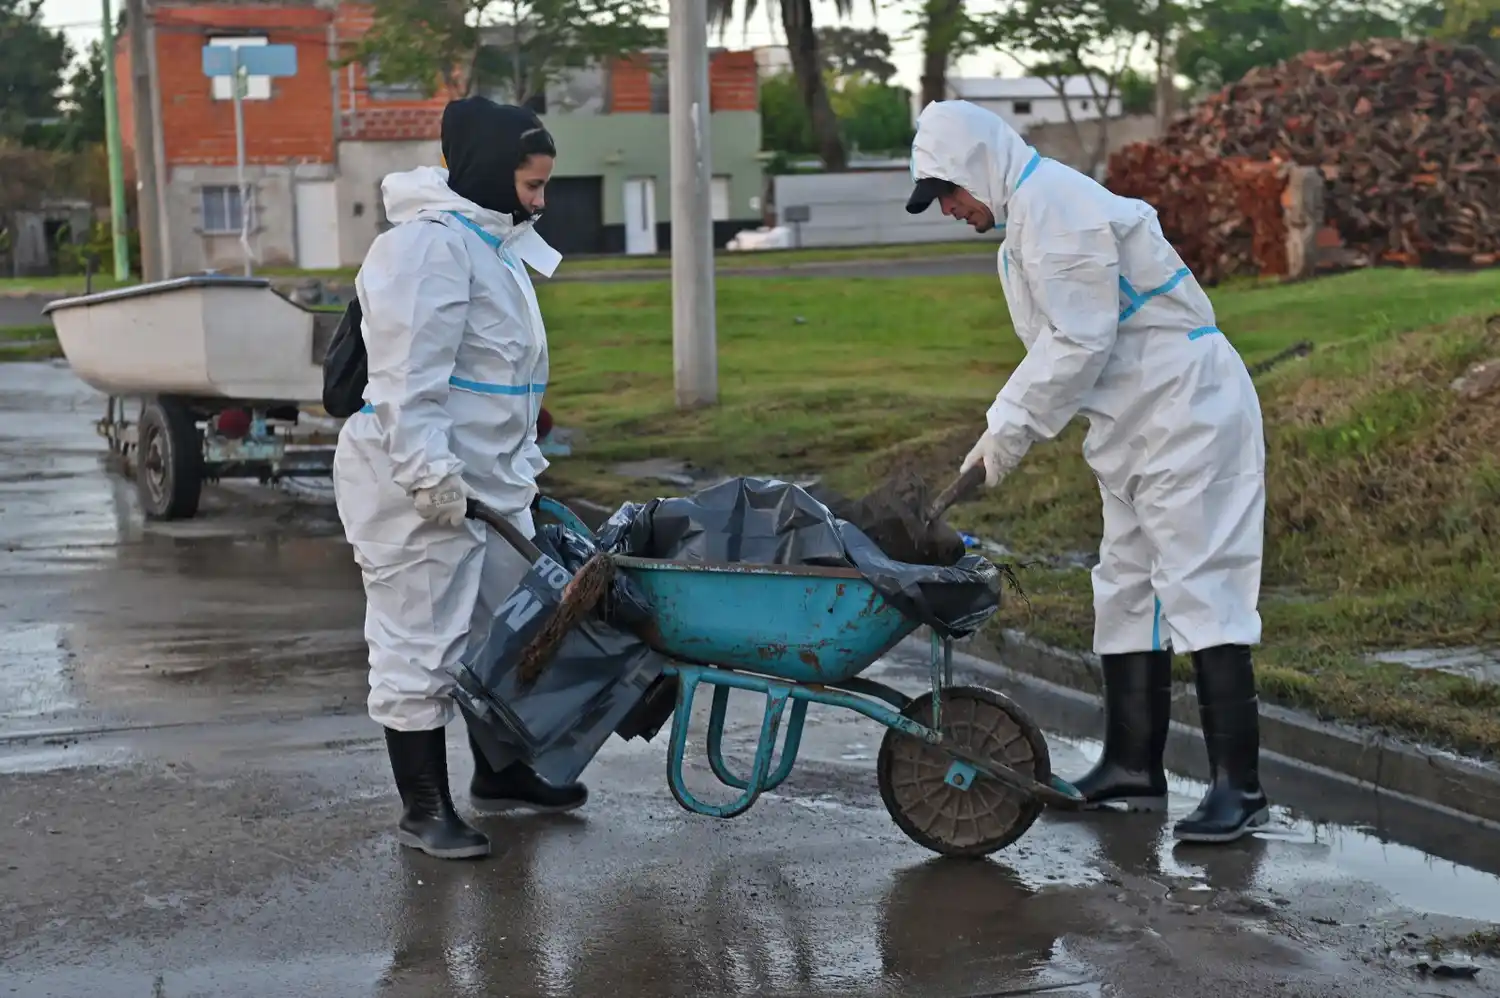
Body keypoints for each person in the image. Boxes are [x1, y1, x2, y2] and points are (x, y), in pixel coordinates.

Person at [905, 99, 1270, 844]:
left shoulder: (1059, 211)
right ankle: (1133, 767)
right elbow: (1067, 350)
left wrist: (1003, 435)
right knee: (1127, 588)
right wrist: (1003, 431)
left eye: (948, 192)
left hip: (1187, 414)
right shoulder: (1030, 222)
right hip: (1135, 423)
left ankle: (1243, 787)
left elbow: (1077, 344)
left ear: (977, 169)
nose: (947, 209)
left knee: (1202, 587)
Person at [333, 97, 586, 861]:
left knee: (501, 638)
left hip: (491, 484)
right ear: (487, 171)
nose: (540, 202)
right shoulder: (427, 250)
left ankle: (502, 774)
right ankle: (423, 808)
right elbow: (409, 382)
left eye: (545, 185)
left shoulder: (492, 245)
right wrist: (430, 478)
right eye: (532, 185)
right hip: (419, 488)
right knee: (419, 640)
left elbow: (500, 382)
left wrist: (524, 476)